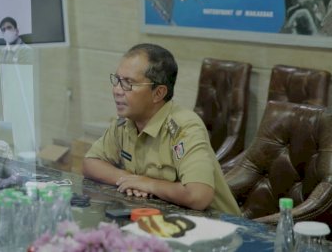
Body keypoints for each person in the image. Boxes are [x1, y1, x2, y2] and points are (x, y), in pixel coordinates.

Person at [82, 43, 241, 215]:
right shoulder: (125, 123)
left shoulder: (184, 127)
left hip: (218, 230)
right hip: (164, 219)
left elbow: (198, 196)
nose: (117, 90)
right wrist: (130, 180)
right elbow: (90, 163)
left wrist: (149, 184)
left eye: (128, 83)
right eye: (117, 80)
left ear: (158, 93)